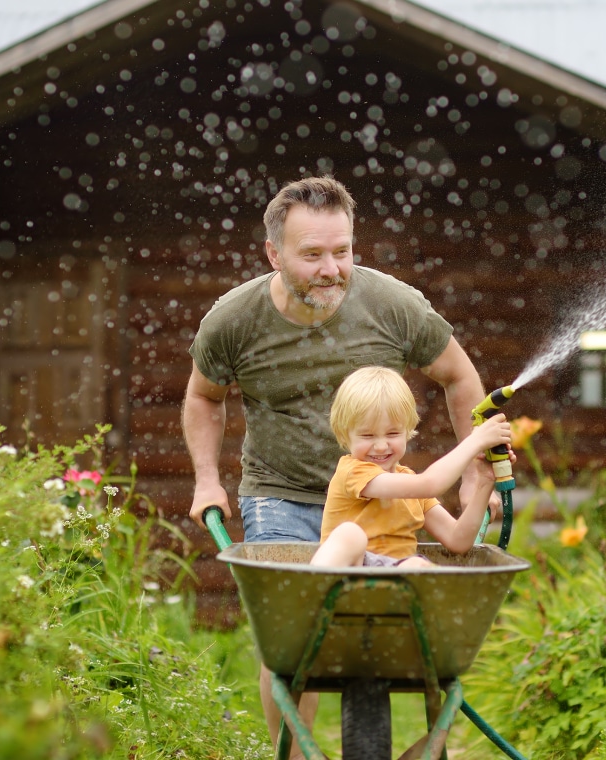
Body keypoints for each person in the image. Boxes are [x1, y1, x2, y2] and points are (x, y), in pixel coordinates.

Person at [181, 175, 495, 756]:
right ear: (273, 254)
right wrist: (206, 479)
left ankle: (427, 746)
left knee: (410, 629)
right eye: (312, 255)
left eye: (342, 251)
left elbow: (458, 376)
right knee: (291, 640)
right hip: (280, 494)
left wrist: (478, 474)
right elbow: (204, 396)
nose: (331, 269)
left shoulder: (391, 305)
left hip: (381, 501)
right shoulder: (235, 320)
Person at [312, 366, 511, 569]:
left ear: (407, 430)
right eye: (367, 435)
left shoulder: (411, 486)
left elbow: (457, 540)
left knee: (417, 564)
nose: (380, 446)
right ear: (345, 434)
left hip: (394, 577)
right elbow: (430, 484)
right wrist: (475, 441)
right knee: (349, 534)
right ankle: (314, 582)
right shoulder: (353, 472)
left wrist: (485, 481)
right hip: (349, 573)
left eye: (392, 434)